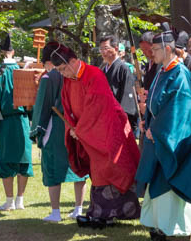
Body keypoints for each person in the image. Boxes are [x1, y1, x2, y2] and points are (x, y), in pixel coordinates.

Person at [49, 42, 141, 227]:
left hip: (108, 129)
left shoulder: (94, 74)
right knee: (98, 171)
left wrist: (80, 130)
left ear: (73, 61)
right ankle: (101, 213)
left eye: (62, 69)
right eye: (58, 71)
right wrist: (73, 127)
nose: (62, 73)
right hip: (89, 132)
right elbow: (68, 106)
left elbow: (97, 107)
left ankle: (112, 213)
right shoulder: (69, 80)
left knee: (112, 167)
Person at [135, 28, 191, 241]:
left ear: (168, 49)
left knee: (169, 183)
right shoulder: (162, 71)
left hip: (171, 137)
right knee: (157, 181)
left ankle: (178, 230)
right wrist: (148, 120)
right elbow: (158, 103)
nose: (151, 53)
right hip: (157, 134)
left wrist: (157, 129)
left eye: (155, 49)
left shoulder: (179, 73)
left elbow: (178, 109)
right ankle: (160, 225)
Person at [31, 52, 87, 223]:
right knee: (78, 163)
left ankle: (56, 211)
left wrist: (37, 130)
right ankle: (78, 208)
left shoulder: (49, 77)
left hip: (56, 126)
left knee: (53, 167)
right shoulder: (78, 74)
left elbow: (42, 105)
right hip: (77, 124)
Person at [0, 35, 32, 211]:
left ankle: (10, 201)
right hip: (22, 120)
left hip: (3, 122)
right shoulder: (23, 71)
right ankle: (20, 200)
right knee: (23, 159)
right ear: (13, 52)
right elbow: (31, 101)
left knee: (5, 159)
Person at [99, 35, 139, 129]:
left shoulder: (123, 68)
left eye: (106, 48)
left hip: (118, 118)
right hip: (106, 116)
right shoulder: (103, 70)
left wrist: (121, 118)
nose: (103, 52)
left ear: (116, 48)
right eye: (101, 49)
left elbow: (126, 97)